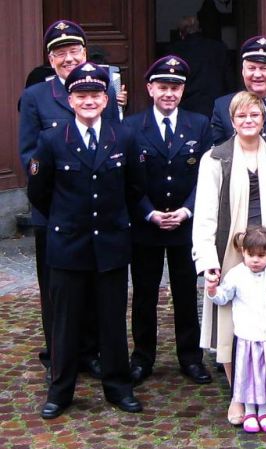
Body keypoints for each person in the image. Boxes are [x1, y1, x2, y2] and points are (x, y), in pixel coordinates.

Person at [27, 61, 146, 419]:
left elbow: (134, 186)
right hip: (68, 245)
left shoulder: (123, 136)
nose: (89, 100)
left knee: (112, 320)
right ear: (70, 99)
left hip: (110, 243)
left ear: (106, 99)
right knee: (65, 323)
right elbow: (39, 192)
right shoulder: (51, 139)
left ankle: (118, 387)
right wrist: (67, 219)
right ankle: (60, 392)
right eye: (82, 95)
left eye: (96, 94)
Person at [18, 19, 124, 383]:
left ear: (84, 51)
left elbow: (112, 139)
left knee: (96, 286)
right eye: (60, 52)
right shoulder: (35, 96)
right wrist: (59, 202)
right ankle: (60, 356)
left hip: (98, 213)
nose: (68, 58)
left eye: (74, 50)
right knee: (57, 292)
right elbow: (30, 157)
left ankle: (92, 353)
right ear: (50, 59)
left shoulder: (101, 88)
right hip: (56, 214)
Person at [193, 91, 266, 426]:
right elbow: (205, 215)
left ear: (263, 116)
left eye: (254, 115)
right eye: (241, 116)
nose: (248, 121)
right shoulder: (216, 158)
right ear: (232, 119)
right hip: (232, 250)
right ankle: (238, 396)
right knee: (232, 326)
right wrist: (208, 262)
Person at [124, 56, 212, 386]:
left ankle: (190, 357)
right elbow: (128, 179)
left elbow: (206, 174)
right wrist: (149, 212)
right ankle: (142, 357)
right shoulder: (131, 126)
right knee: (144, 294)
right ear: (150, 89)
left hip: (184, 225)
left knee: (186, 293)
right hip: (147, 225)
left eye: (175, 87)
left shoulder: (199, 124)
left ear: (183, 90)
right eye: (163, 87)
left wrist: (188, 210)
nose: (169, 94)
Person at [205, 226, 266, 434]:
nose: (255, 260)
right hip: (246, 337)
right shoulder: (237, 274)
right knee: (248, 376)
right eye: (250, 255)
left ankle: (264, 412)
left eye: (261, 256)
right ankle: (250, 411)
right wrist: (213, 290)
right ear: (243, 252)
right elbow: (223, 297)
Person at [211, 35, 266, 144]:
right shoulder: (223, 106)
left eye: (264, 68)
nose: (257, 74)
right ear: (243, 71)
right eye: (251, 68)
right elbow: (219, 153)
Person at [167, 15, 234, 117]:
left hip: (187, 110)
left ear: (181, 33)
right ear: (199, 29)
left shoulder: (175, 51)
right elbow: (229, 81)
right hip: (216, 109)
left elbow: (171, 82)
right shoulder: (218, 47)